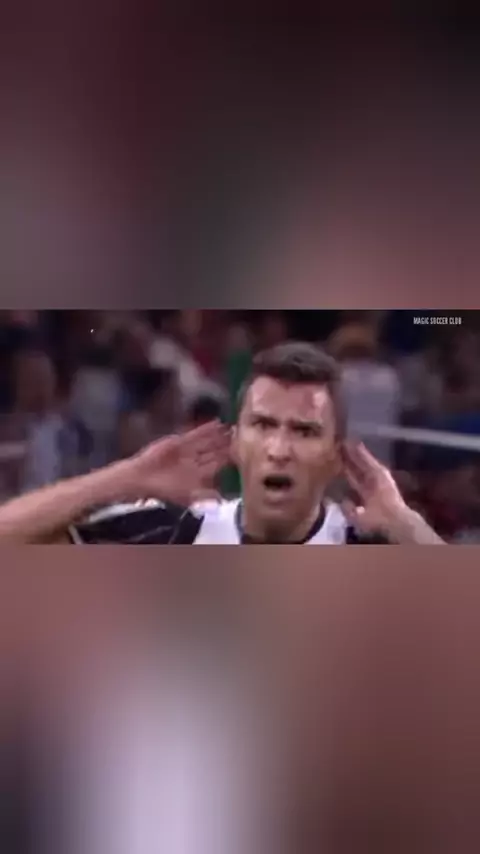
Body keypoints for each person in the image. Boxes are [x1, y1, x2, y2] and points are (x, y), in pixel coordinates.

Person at [0, 342, 445, 544]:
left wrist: (409, 527)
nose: (278, 449)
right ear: (235, 445)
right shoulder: (175, 532)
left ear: (336, 457)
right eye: (263, 425)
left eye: (304, 431)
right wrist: (126, 478)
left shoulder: (368, 545)